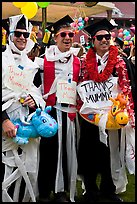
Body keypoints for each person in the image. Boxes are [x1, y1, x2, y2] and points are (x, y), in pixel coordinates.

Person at [76, 18, 135, 202]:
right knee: (89, 151)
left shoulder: (122, 63)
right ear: (93, 41)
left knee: (111, 152)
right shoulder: (83, 64)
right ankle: (91, 190)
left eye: (107, 37)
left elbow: (130, 87)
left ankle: (109, 190)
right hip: (90, 116)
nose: (104, 40)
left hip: (112, 117)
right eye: (99, 37)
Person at [2, 14, 46, 202]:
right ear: (10, 35)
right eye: (18, 33)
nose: (22, 38)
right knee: (5, 168)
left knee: (26, 169)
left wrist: (33, 102)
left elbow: (37, 94)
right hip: (5, 124)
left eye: (26, 34)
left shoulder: (31, 65)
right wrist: (3, 120)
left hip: (26, 126)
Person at [37, 15, 81, 202]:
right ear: (55, 37)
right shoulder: (43, 61)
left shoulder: (78, 61)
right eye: (63, 34)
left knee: (67, 152)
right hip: (51, 112)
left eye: (70, 34)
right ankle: (45, 190)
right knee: (48, 152)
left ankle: (61, 190)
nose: (68, 38)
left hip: (70, 113)